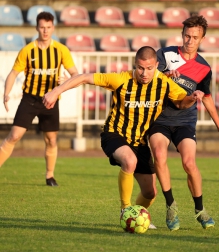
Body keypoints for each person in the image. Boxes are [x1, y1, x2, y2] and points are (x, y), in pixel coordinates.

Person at [42, 46, 204, 224]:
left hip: (139, 142)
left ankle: (135, 216)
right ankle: (125, 210)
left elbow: (181, 102)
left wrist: (193, 97)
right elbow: (83, 77)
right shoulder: (120, 79)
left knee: (150, 193)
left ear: (157, 65)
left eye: (150, 68)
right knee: (130, 161)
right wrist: (55, 91)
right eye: (140, 68)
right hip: (114, 134)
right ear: (135, 65)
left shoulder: (163, 82)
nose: (144, 73)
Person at [148, 15, 219, 231]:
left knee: (189, 164)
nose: (189, 40)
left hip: (185, 119)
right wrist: (164, 74)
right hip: (159, 117)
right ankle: (171, 206)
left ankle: (200, 209)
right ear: (182, 34)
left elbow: (206, 97)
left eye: (194, 37)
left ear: (202, 38)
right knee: (159, 155)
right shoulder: (165, 54)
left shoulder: (204, 68)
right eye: (187, 36)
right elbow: (147, 77)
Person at [0, 12, 78, 186]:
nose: (45, 31)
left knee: (51, 139)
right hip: (30, 99)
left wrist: (66, 81)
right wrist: (6, 93)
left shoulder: (61, 50)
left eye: (48, 27)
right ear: (36, 28)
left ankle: (50, 176)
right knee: (14, 136)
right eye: (42, 27)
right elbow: (13, 73)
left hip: (50, 101)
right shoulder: (28, 50)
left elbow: (75, 74)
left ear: (53, 28)